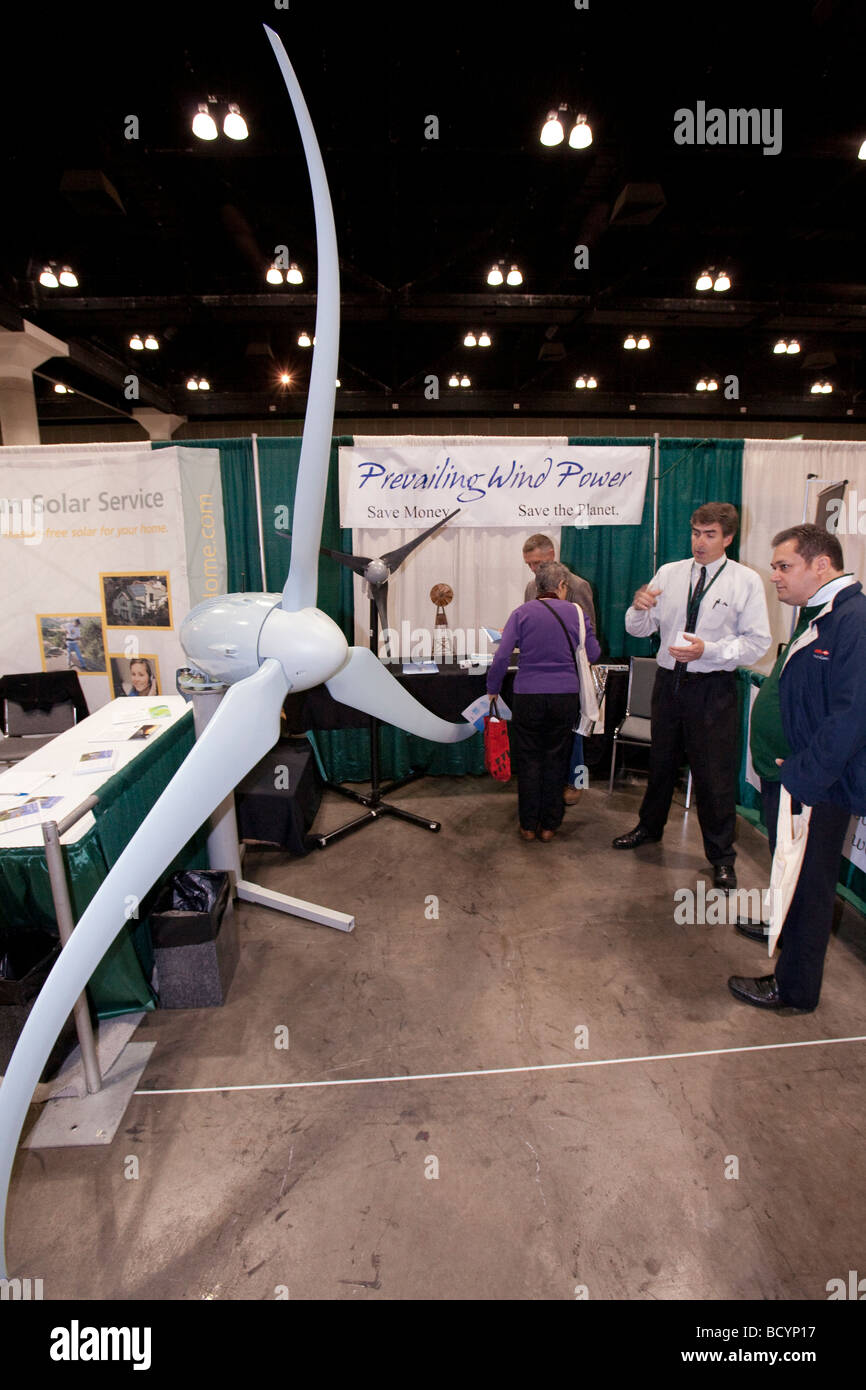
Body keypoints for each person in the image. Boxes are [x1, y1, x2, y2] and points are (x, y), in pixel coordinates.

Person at [728, 524, 866, 1012]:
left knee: (811, 887)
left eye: (785, 566)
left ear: (821, 565)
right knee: (794, 877)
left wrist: (803, 775)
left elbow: (850, 716)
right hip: (796, 778)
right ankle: (782, 939)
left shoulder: (853, 621)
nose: (776, 577)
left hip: (817, 785)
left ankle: (795, 989)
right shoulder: (822, 616)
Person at [612, 502, 771, 889]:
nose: (700, 542)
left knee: (714, 775)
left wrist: (710, 651)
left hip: (712, 688)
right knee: (660, 764)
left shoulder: (745, 581)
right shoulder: (670, 572)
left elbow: (758, 644)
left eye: (710, 534)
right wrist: (638, 607)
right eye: (696, 532)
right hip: (668, 683)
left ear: (728, 537)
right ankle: (649, 828)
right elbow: (637, 629)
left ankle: (721, 857)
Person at [488, 561, 600, 842]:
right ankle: (549, 826)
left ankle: (527, 825)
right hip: (565, 697)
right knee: (556, 759)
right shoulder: (577, 613)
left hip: (528, 695)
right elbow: (594, 653)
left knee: (528, 760)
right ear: (562, 586)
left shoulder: (521, 613)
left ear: (537, 587)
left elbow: (502, 656)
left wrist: (493, 688)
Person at [523, 534, 597, 805]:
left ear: (552, 555)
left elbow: (591, 635)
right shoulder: (531, 587)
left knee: (577, 731)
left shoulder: (579, 586)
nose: (534, 569)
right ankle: (549, 779)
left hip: (572, 672)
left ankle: (577, 782)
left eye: (537, 562)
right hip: (539, 673)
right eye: (529, 564)